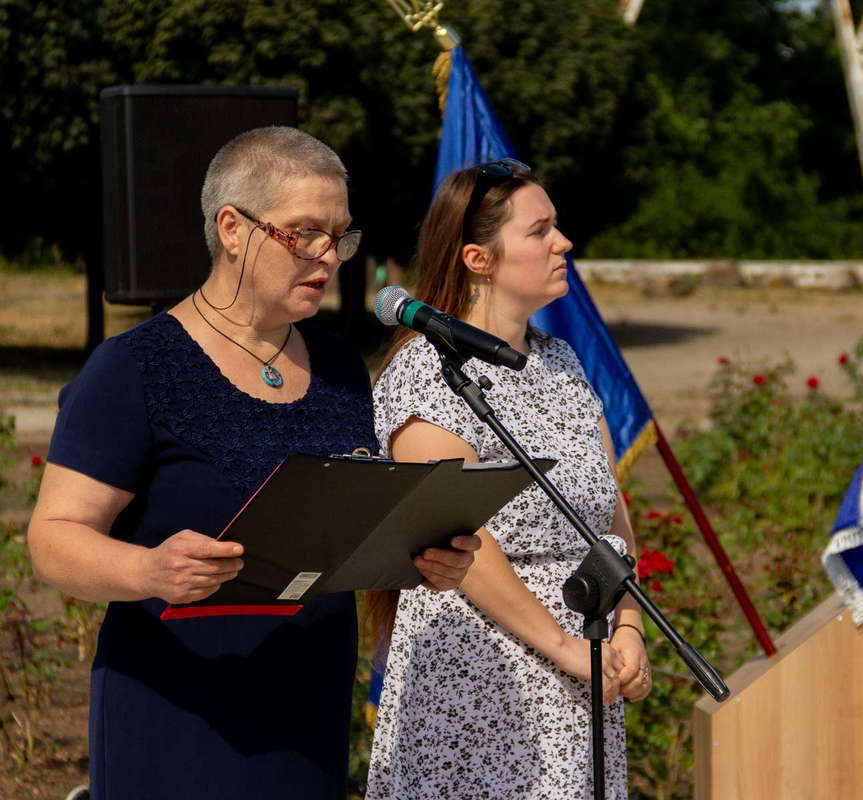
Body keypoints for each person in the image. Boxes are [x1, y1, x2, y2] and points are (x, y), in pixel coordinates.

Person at [27, 126, 480, 800]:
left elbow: (336, 529)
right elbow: (52, 540)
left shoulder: (336, 366)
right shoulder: (135, 368)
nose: (328, 255)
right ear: (232, 228)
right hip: (179, 719)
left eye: (340, 235)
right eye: (304, 233)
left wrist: (417, 556)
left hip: (305, 713)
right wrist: (146, 569)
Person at [365, 159, 651, 800]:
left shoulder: (559, 360)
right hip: (480, 668)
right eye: (539, 231)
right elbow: (456, 533)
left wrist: (627, 627)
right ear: (478, 258)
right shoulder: (424, 372)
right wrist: (562, 645)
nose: (563, 244)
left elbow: (608, 510)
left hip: (585, 656)